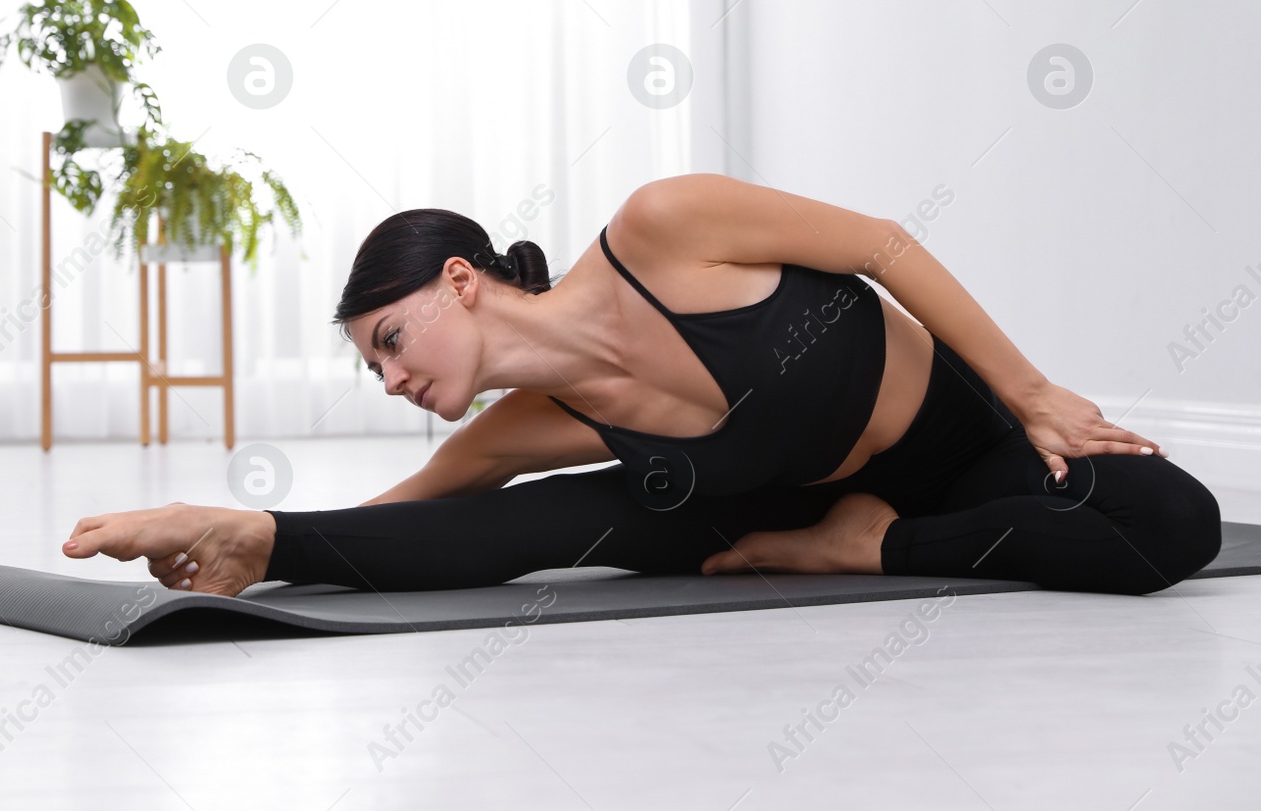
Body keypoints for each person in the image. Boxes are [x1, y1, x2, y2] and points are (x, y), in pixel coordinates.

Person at [61, 174, 1223, 599]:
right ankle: (245, 534)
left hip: (953, 447)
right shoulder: (529, 422)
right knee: (544, 519)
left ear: (459, 281)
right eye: (374, 363)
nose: (393, 375)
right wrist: (271, 535)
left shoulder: (661, 230)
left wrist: (1026, 391)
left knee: (1174, 521)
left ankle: (865, 549)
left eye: (392, 338)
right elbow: (414, 518)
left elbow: (881, 244)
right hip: (782, 507)